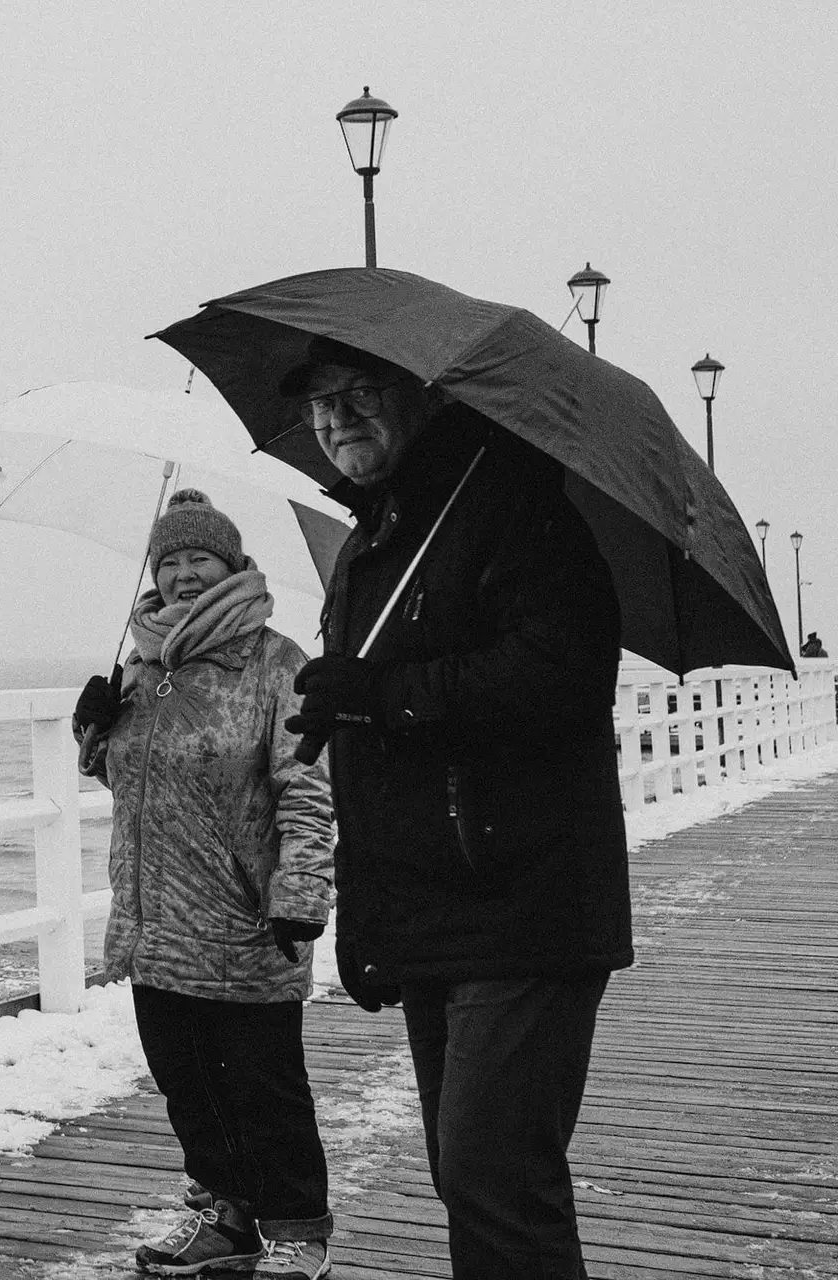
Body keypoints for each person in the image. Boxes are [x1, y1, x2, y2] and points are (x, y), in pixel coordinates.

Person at [279, 337, 633, 1280]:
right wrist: (366, 926)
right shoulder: (371, 543)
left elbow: (563, 672)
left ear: (425, 397)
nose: (337, 417)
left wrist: (385, 693)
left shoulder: (515, 506)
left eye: (362, 391)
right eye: (320, 402)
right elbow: (366, 760)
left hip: (528, 902)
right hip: (429, 909)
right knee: (464, 1173)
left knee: (495, 1175)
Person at [77, 489, 336, 1279]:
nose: (185, 574)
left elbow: (308, 786)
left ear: (232, 566)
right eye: (171, 561)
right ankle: (226, 1217)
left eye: (201, 559)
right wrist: (95, 734)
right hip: (153, 921)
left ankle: (297, 1229)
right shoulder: (143, 665)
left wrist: (301, 894)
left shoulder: (276, 664)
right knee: (187, 1085)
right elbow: (136, 785)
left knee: (264, 1087)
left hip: (243, 920)